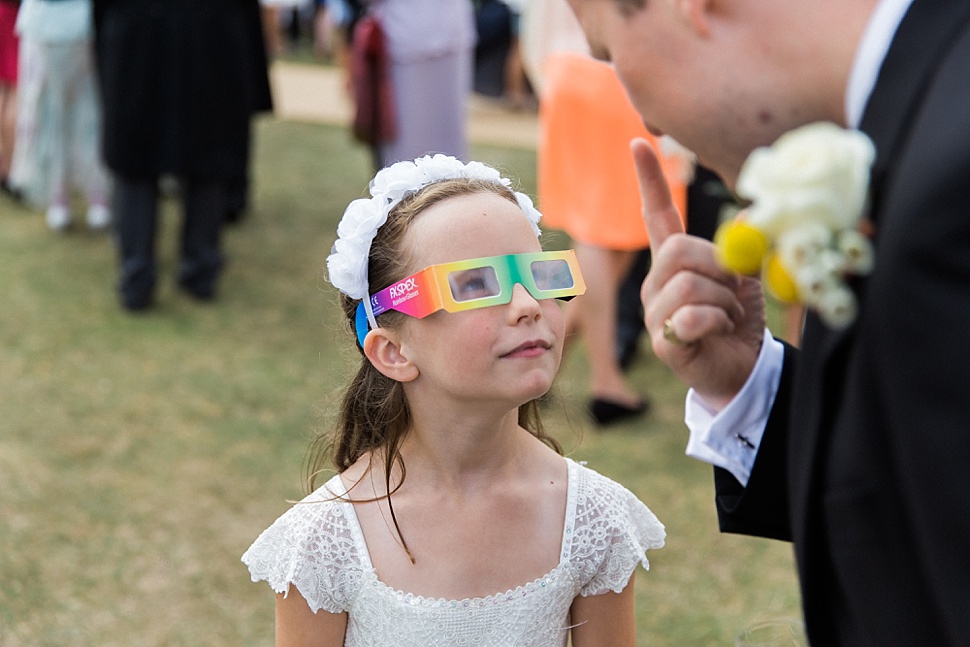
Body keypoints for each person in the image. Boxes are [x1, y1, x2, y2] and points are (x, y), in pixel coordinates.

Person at [566, 0, 970, 643]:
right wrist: (750, 384)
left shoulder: (951, 178)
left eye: (611, 52)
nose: (645, 119)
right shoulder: (925, 113)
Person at [242, 155, 665, 646]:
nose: (528, 305)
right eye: (476, 285)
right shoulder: (325, 541)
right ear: (394, 351)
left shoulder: (592, 519)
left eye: (540, 273)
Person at [522, 0, 690, 425]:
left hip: (568, 70)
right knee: (601, 235)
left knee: (622, 236)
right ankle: (606, 382)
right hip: (614, 73)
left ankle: (541, 369)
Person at [92, 0, 272, 311]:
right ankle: (174, 271)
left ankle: (169, 271)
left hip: (172, 38)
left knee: (198, 159)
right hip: (191, 39)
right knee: (163, 160)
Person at [11, 0, 110, 231]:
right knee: (52, 117)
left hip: (81, 28)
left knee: (86, 116)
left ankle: (94, 195)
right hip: (47, 29)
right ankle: (61, 197)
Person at [0, 0, 19, 199]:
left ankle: (4, 162)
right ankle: (11, 169)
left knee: (4, 91)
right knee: (14, 92)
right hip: (12, 15)